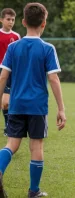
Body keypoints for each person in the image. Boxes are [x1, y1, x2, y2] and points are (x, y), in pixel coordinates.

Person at [0, 3, 66, 197]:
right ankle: (34, 191)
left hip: (17, 104)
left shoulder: (13, 47)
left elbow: (3, 76)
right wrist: (61, 108)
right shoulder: (47, 48)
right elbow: (53, 78)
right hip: (37, 106)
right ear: (44, 23)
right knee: (36, 146)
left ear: (23, 22)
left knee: (12, 144)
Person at [0, 8, 20, 136]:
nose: (10, 22)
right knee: (3, 102)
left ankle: (9, 126)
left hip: (10, 71)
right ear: (1, 20)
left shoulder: (16, 36)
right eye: (8, 19)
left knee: (6, 102)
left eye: (13, 20)